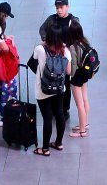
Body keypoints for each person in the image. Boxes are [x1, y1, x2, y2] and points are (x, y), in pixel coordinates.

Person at [31, 22, 71, 156]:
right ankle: (59, 143)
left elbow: (33, 61)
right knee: (59, 114)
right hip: (60, 88)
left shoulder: (40, 49)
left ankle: (45, 148)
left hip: (43, 89)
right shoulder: (66, 51)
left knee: (47, 117)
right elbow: (69, 71)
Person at [66, 20, 92, 138]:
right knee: (85, 100)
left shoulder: (72, 47)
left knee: (79, 104)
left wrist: (70, 75)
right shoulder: (85, 42)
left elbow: (73, 67)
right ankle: (85, 123)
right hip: (85, 75)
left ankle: (82, 131)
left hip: (76, 78)